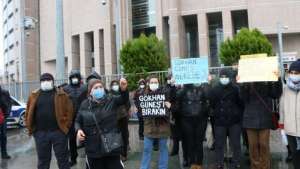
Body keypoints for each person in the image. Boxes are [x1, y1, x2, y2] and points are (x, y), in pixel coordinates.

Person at [75, 78, 129, 169]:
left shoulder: (111, 100)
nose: (99, 89)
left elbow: (123, 99)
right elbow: (78, 120)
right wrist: (78, 130)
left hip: (111, 147)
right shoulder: (84, 104)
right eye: (95, 88)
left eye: (101, 87)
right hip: (93, 149)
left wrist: (123, 89)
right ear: (90, 91)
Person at [25, 73, 74, 169]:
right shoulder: (34, 95)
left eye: (48, 80)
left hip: (58, 132)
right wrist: (32, 128)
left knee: (63, 159)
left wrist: (66, 126)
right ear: (40, 82)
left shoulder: (62, 94)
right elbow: (28, 111)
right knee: (43, 161)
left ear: (52, 82)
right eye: (43, 80)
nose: (46, 82)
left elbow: (70, 111)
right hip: (40, 133)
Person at [239, 74, 281, 169]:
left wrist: (277, 79)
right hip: (250, 119)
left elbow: (276, 94)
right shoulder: (247, 81)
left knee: (264, 145)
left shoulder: (267, 80)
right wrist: (242, 85)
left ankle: (265, 166)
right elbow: (242, 98)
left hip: (265, 118)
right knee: (253, 146)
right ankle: (255, 166)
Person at [207, 69, 244, 169]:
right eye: (222, 77)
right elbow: (211, 102)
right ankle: (219, 163)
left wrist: (237, 114)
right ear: (220, 78)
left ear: (229, 78)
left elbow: (241, 102)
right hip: (220, 121)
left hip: (234, 121)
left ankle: (237, 162)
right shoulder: (215, 89)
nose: (224, 79)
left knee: (236, 143)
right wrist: (208, 84)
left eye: (225, 77)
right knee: (219, 144)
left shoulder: (236, 88)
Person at [140, 75, 172, 169]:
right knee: (146, 149)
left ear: (158, 84)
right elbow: (140, 109)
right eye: (152, 82)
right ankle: (144, 167)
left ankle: (163, 167)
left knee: (163, 149)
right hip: (149, 127)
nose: (154, 84)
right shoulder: (143, 95)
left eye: (156, 82)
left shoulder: (165, 94)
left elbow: (173, 96)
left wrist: (170, 106)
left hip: (163, 127)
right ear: (148, 84)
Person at [176, 83, 209, 169]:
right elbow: (177, 98)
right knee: (189, 141)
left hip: (201, 119)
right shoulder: (183, 90)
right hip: (186, 119)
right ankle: (191, 161)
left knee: (199, 141)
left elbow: (208, 97)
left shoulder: (203, 88)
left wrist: (207, 84)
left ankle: (199, 162)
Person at [279, 59, 300, 168]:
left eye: (296, 73)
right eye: (291, 73)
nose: (293, 75)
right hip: (290, 131)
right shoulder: (286, 89)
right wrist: (282, 127)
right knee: (295, 158)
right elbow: (282, 108)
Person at [63, 69, 85, 166]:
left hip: (83, 116)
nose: (75, 79)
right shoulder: (66, 89)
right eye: (73, 77)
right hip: (71, 117)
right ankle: (73, 158)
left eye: (76, 77)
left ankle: (89, 155)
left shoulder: (84, 88)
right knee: (71, 139)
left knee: (86, 136)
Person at [109, 80, 131, 162]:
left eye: (116, 84)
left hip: (122, 117)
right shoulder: (109, 94)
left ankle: (124, 154)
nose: (115, 86)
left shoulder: (121, 92)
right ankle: (116, 152)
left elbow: (126, 100)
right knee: (114, 136)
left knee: (124, 135)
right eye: (113, 84)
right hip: (113, 118)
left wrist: (127, 111)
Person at [0, 86, 12, 159]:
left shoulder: (5, 93)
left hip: (2, 118)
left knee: (3, 136)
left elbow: (9, 104)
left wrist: (6, 114)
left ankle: (4, 154)